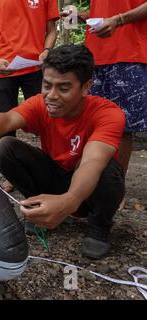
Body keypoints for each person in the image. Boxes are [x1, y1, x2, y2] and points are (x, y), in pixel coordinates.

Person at [0, 45, 126, 259]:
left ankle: (99, 226)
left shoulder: (108, 114)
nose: (52, 96)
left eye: (64, 88)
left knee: (108, 169)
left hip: (88, 188)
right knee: (6, 147)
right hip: (55, 176)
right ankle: (38, 207)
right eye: (47, 85)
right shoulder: (40, 104)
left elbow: (91, 163)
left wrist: (69, 201)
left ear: (86, 87)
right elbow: (6, 120)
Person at [63, 1, 147, 209]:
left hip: (129, 54)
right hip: (94, 57)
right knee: (87, 122)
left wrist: (119, 20)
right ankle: (84, 184)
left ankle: (115, 188)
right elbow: (104, 12)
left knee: (122, 127)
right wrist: (80, 15)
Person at [0, 0, 59, 192]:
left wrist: (47, 51)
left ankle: (55, 168)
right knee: (5, 125)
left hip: (36, 67)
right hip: (4, 68)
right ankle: (11, 175)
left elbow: (52, 28)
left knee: (48, 121)